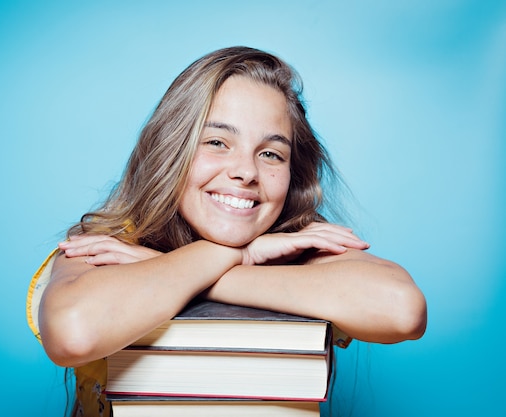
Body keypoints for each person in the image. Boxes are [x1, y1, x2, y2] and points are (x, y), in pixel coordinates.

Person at [26, 46, 427, 417]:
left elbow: (402, 309)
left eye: (271, 153)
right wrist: (231, 255)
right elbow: (73, 333)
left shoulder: (303, 244)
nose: (246, 172)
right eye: (217, 142)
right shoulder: (108, 245)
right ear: (173, 150)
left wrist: (210, 273)